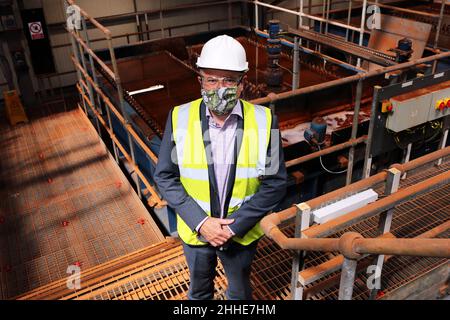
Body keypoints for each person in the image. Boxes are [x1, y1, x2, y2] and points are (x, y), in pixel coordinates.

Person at [154, 35, 287, 300]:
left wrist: (234, 227)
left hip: (240, 233)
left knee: (239, 293)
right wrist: (202, 223)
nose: (219, 87)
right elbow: (165, 176)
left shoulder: (264, 120)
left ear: (241, 84)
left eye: (228, 80)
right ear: (200, 81)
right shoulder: (179, 116)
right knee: (199, 291)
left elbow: (275, 182)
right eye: (211, 79)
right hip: (196, 232)